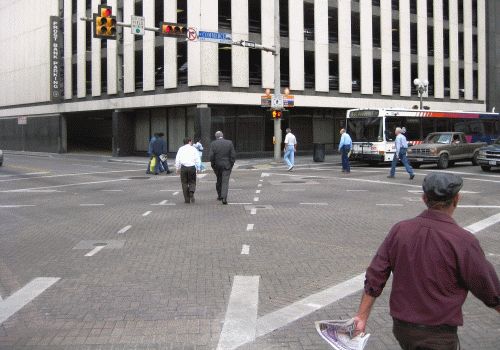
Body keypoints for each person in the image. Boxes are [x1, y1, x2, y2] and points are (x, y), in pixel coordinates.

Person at [353, 172, 500, 350]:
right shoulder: (463, 240)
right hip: (438, 334)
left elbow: (375, 275)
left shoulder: (400, 230)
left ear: (424, 198)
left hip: (402, 328)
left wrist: (361, 317)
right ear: (456, 199)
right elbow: (488, 287)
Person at [209, 131, 236, 205]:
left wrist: (213, 165)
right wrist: (231, 164)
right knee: (225, 182)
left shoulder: (213, 143)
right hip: (227, 165)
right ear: (222, 135)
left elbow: (211, 156)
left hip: (217, 165)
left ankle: (220, 195)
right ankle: (224, 197)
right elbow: (233, 155)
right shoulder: (229, 143)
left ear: (216, 137)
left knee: (219, 180)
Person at [175, 137, 201, 204]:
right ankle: (191, 192)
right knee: (192, 181)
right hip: (192, 167)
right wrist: (198, 168)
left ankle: (187, 199)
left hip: (183, 167)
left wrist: (177, 168)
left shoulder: (181, 149)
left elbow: (177, 159)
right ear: (189, 141)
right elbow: (197, 159)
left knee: (184, 183)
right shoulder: (193, 149)